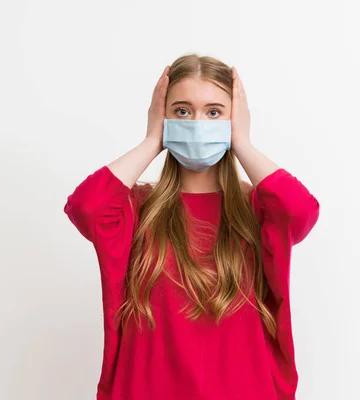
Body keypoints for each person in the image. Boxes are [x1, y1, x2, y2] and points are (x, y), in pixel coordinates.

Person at [63, 53, 320, 400]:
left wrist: (243, 143)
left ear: (234, 119)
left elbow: (301, 211)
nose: (198, 123)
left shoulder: (258, 209)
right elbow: (85, 208)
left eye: (214, 111)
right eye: (182, 111)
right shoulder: (137, 208)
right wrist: (151, 141)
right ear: (164, 116)